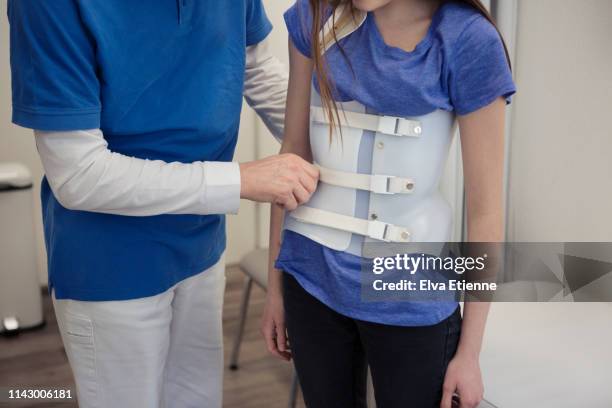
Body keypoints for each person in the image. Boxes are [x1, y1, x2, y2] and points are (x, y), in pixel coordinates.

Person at [7, 1, 319, 407]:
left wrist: (335, 149)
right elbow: (79, 176)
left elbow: (255, 68)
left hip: (202, 247)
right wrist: (241, 180)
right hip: (111, 266)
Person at [262, 0, 516, 407]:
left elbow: (486, 212)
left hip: (408, 294)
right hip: (310, 279)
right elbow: (292, 154)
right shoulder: (317, 15)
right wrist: (275, 286)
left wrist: (469, 354)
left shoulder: (467, 40)